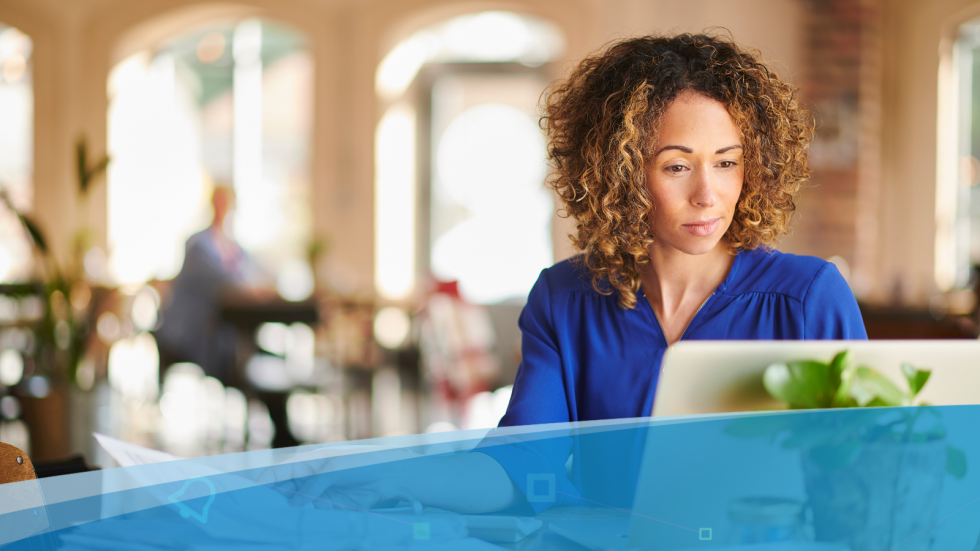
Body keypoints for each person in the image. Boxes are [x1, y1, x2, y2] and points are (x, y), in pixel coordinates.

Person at [256, 33, 867, 515]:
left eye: (728, 163)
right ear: (624, 174)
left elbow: (862, 476)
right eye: (677, 167)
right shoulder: (566, 299)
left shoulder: (807, 298)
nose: (709, 194)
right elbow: (518, 472)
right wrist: (383, 471)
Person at [155, 184, 272, 385]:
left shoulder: (232, 246)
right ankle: (244, 386)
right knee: (236, 348)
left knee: (251, 346)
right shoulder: (197, 245)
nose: (224, 208)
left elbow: (259, 271)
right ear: (212, 203)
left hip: (219, 326)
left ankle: (257, 389)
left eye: (228, 203)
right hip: (191, 328)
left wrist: (266, 284)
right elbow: (225, 281)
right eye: (220, 202)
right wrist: (252, 289)